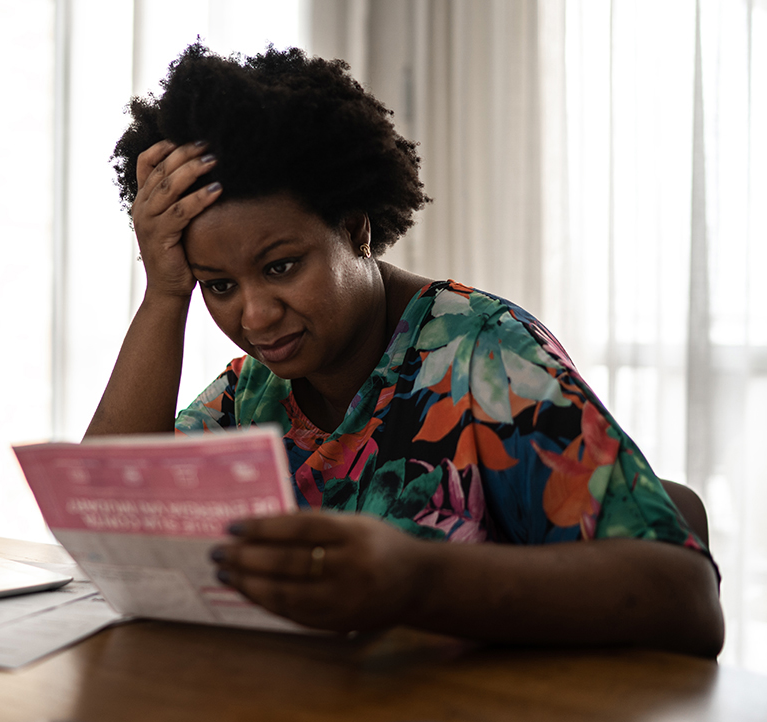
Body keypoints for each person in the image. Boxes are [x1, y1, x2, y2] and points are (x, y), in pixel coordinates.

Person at [86, 41, 724, 656]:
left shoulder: (482, 355)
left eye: (281, 267)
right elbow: (106, 532)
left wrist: (418, 580)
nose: (253, 315)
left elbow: (686, 598)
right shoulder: (254, 391)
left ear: (357, 229)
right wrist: (165, 294)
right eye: (218, 285)